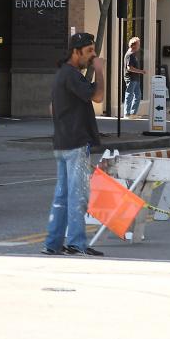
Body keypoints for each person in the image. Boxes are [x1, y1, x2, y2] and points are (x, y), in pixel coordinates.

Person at [42, 32, 106, 257]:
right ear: (75, 51)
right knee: (77, 196)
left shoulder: (63, 75)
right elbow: (98, 96)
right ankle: (77, 243)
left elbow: (52, 108)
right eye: (89, 52)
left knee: (62, 195)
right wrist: (99, 69)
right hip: (75, 144)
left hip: (62, 142)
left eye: (94, 53)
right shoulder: (71, 75)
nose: (92, 56)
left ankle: (53, 242)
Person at [122, 37, 145, 118]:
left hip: (136, 79)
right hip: (131, 78)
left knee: (137, 95)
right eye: (138, 44)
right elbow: (129, 68)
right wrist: (141, 71)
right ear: (133, 45)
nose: (139, 46)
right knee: (129, 95)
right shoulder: (130, 55)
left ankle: (133, 113)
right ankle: (127, 114)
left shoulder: (133, 55)